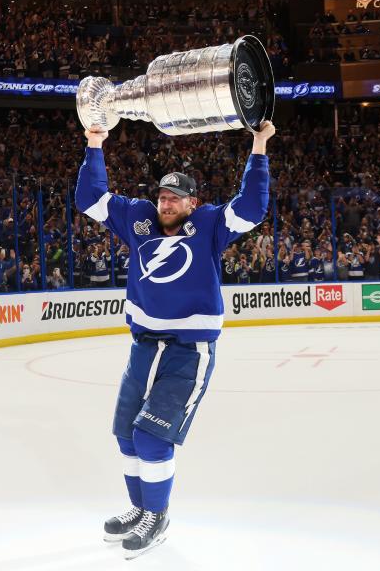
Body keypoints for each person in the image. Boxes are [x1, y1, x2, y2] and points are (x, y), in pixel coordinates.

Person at [75, 120, 274, 558]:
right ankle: (139, 508)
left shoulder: (209, 225)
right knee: (126, 434)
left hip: (188, 349)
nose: (165, 204)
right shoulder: (138, 218)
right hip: (145, 344)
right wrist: (94, 142)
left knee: (152, 438)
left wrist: (259, 144)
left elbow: (252, 207)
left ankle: (158, 517)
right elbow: (89, 198)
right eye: (162, 196)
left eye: (175, 198)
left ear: (192, 202)